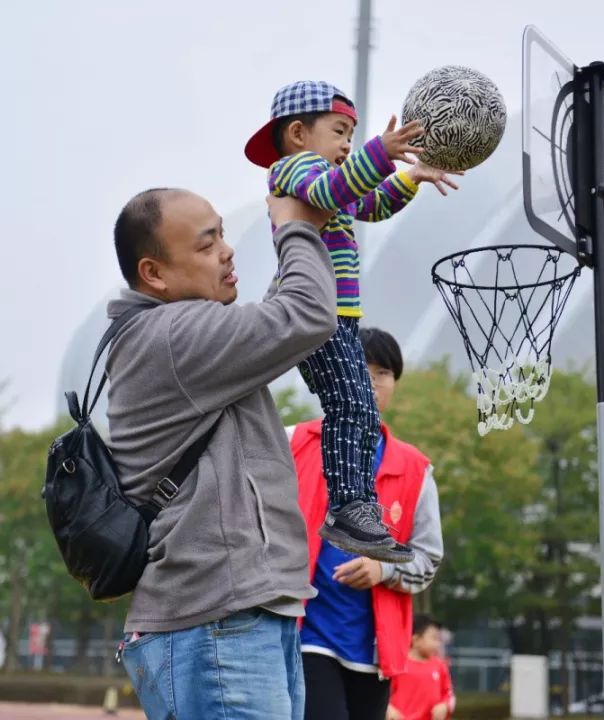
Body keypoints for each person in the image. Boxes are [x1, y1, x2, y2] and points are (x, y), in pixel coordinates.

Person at [108, 189, 337, 720]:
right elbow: (305, 315)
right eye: (208, 244)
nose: (229, 252)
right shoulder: (174, 334)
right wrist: (293, 226)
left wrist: (313, 227)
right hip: (218, 623)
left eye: (223, 235)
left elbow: (281, 319)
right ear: (155, 273)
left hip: (232, 617)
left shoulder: (175, 334)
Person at [246, 81, 460, 562]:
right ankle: (348, 506)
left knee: (359, 406)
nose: (348, 144)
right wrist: (380, 153)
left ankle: (357, 505)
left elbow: (371, 203)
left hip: (336, 317)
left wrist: (411, 177)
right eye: (340, 131)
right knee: (353, 407)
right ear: (298, 133)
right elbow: (333, 188)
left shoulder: (332, 178)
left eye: (353, 135)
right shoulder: (297, 169)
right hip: (317, 315)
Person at [291, 326, 445, 720]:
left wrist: (382, 569)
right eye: (361, 368)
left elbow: (428, 559)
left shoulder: (416, 469)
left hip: (377, 651)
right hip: (304, 635)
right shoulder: (294, 442)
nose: (372, 381)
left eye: (383, 373)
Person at [386, 614, 455, 720]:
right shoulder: (397, 665)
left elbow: (449, 694)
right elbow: (384, 694)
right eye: (434, 638)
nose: (438, 644)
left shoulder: (440, 666)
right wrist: (388, 708)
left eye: (439, 639)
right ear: (416, 640)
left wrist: (445, 705)